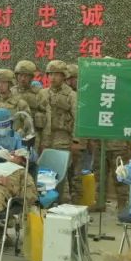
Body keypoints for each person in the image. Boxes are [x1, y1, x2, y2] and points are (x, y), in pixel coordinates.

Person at [42, 59, 78, 199]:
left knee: (60, 172)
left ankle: (63, 201)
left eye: (57, 74)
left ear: (64, 76)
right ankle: (47, 202)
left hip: (62, 138)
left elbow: (77, 118)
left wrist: (76, 141)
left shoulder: (71, 95)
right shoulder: (42, 94)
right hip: (45, 139)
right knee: (45, 172)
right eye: (51, 74)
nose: (53, 77)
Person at [13, 60, 47, 135]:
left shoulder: (39, 93)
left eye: (26, 76)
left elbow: (47, 113)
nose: (23, 78)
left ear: (31, 77)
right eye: (20, 75)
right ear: (16, 76)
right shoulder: (11, 92)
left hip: (34, 133)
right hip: (14, 133)